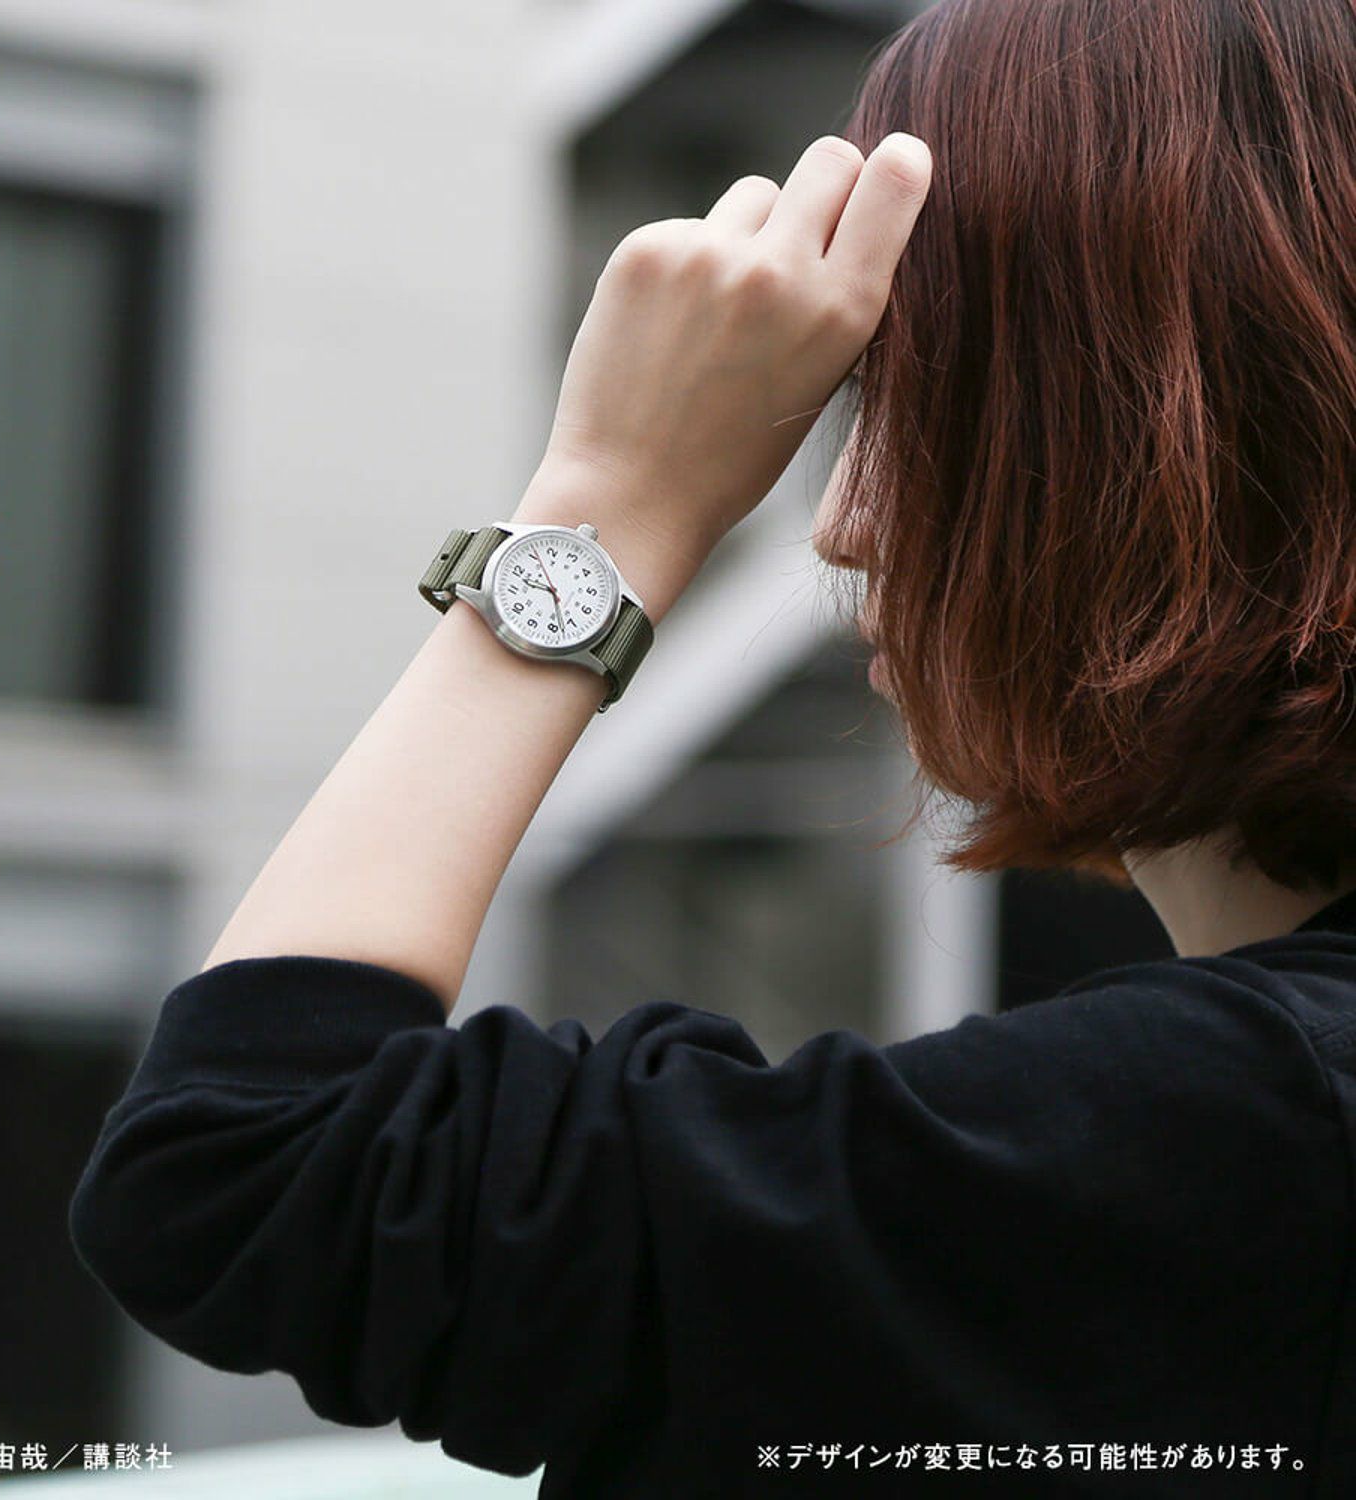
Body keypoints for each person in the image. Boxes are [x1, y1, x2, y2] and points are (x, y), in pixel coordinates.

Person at [67, 0, 1356, 1493]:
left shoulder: (1248, 1137)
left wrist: (607, 503)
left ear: (1172, 438)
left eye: (905, 408)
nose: (845, 523)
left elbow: (244, 1166)